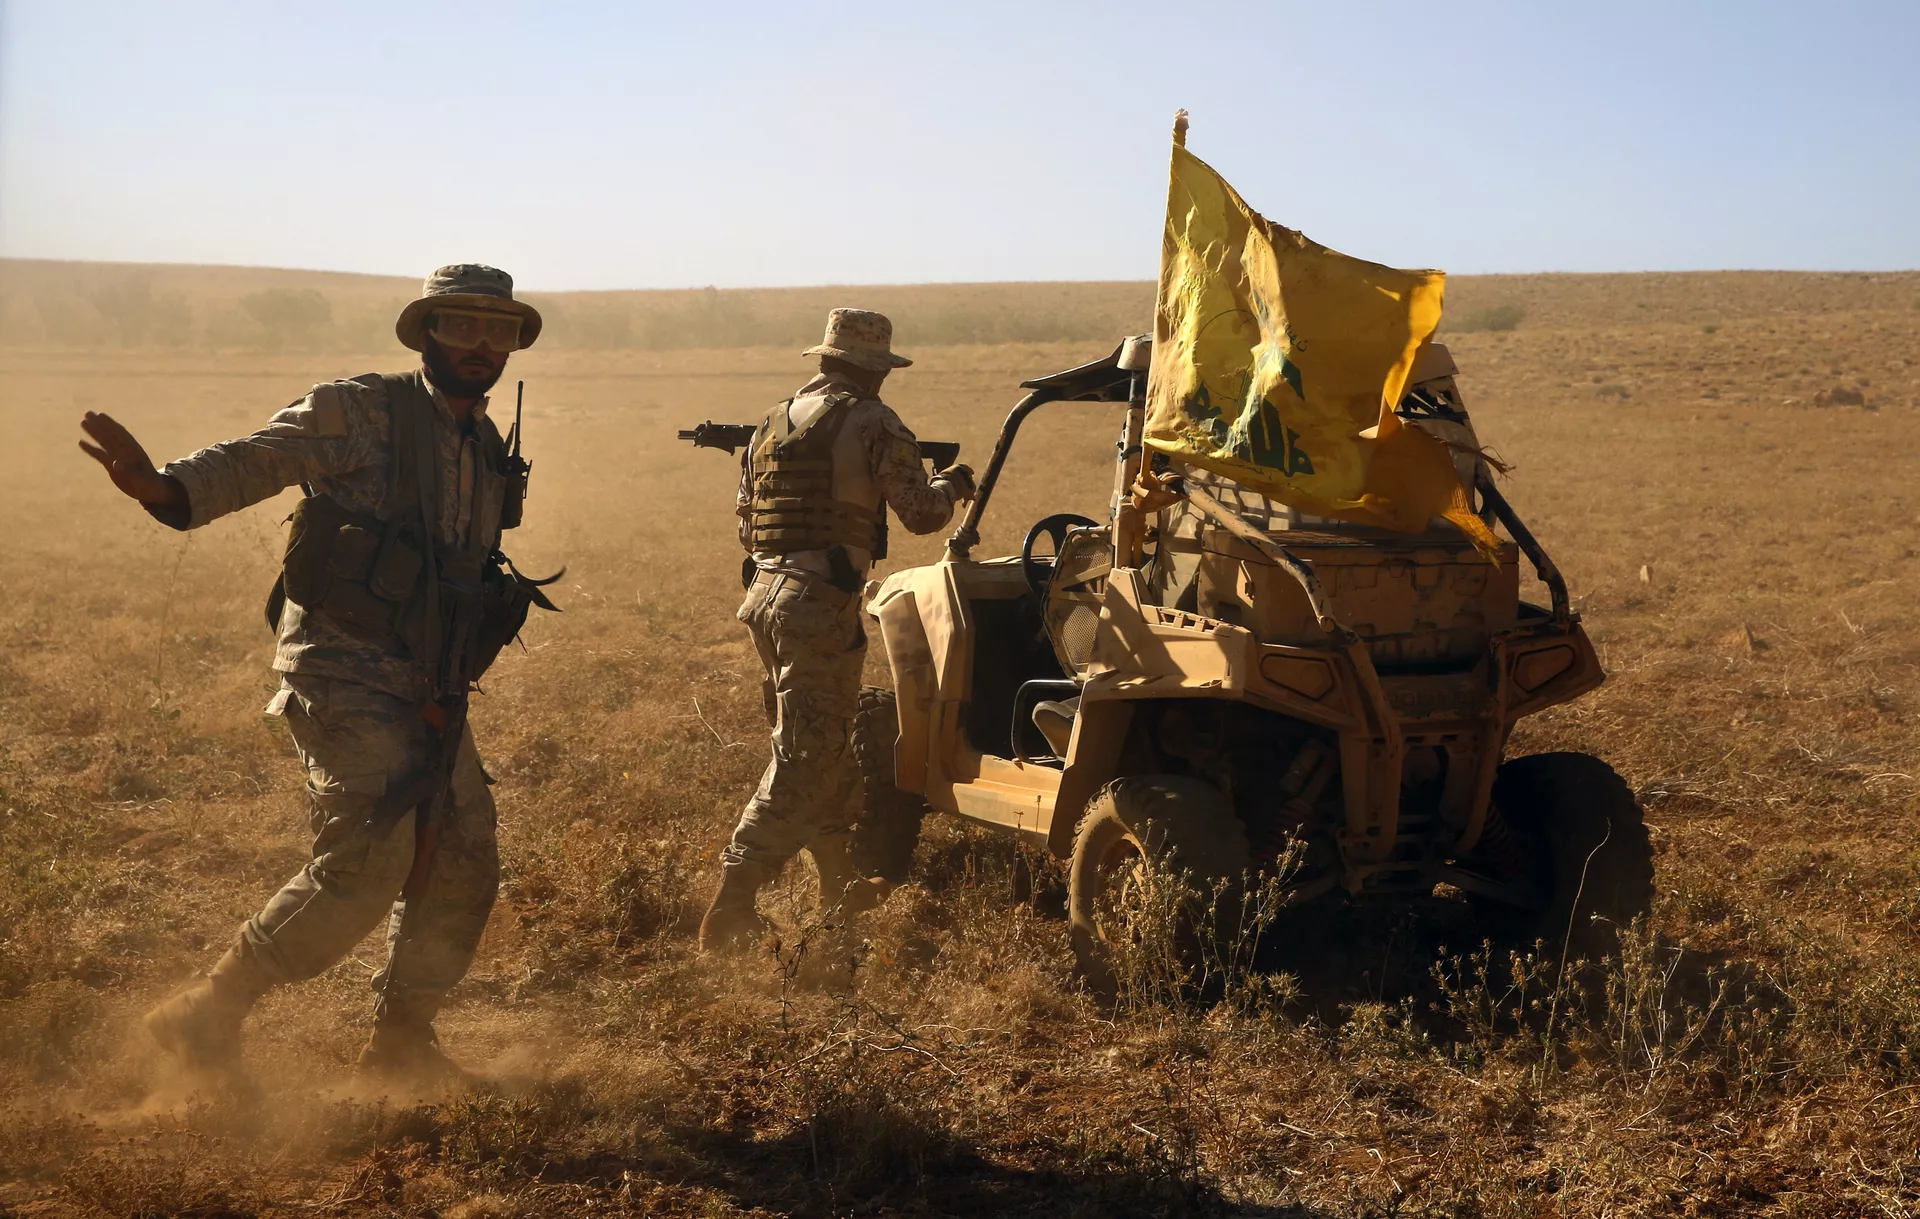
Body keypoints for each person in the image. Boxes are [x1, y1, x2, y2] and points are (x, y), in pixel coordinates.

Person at [78, 264, 548, 1079]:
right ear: (426, 331)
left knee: (466, 858)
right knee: (368, 863)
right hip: (343, 673)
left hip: (430, 688)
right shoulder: (361, 408)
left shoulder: (485, 443)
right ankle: (207, 1010)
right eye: (462, 325)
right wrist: (166, 487)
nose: (481, 344)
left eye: (498, 330)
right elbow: (262, 456)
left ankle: (401, 1043)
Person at [700, 308, 974, 953]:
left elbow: (748, 526)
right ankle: (736, 895)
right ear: (872, 369)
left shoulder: (770, 423)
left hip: (766, 598)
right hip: (820, 603)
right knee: (809, 752)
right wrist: (951, 485)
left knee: (824, 737)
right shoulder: (876, 421)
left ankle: (839, 883)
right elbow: (924, 516)